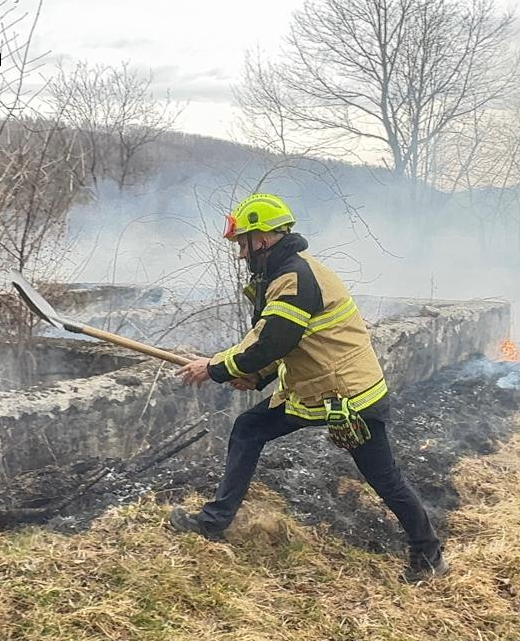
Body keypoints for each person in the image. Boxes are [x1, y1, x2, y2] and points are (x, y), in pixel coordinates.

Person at [172, 193, 448, 582]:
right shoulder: (286, 273)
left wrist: (215, 367)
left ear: (262, 240)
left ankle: (429, 555)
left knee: (384, 478)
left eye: (242, 245)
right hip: (314, 391)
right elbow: (282, 340)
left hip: (350, 397)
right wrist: (258, 376)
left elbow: (273, 342)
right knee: (249, 428)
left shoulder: (295, 278)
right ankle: (214, 521)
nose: (240, 255)